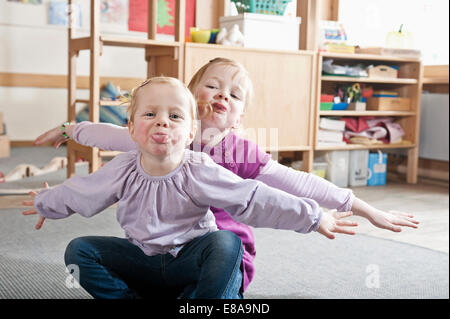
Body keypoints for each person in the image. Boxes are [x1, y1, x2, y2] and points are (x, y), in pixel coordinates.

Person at [32, 58, 419, 297]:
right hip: (157, 253)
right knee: (82, 250)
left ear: (240, 118)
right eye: (213, 86)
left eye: (234, 96)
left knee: (224, 242)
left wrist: (359, 207)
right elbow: (106, 133)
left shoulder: (240, 152)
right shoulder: (158, 135)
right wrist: (69, 129)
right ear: (189, 94)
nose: (222, 96)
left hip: (215, 258)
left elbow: (298, 183)